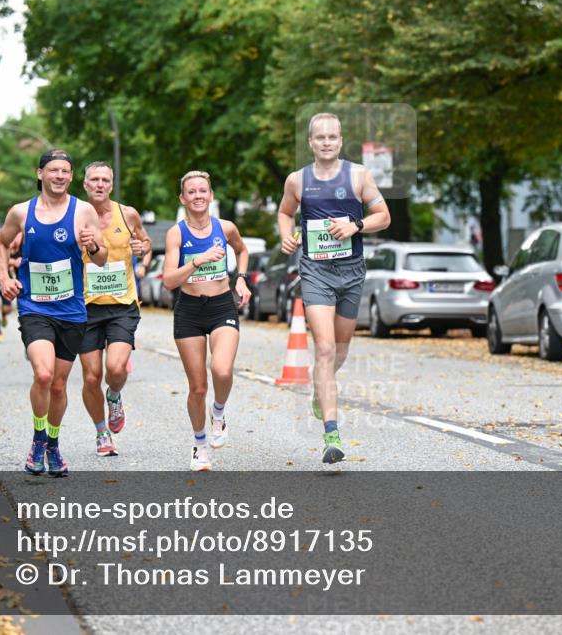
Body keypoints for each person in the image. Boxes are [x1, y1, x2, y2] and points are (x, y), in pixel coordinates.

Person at [277, 112, 391, 464]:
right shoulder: (297, 180)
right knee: (324, 349)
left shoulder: (359, 175)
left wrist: (355, 225)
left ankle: (319, 387)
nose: (326, 142)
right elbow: (285, 213)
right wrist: (286, 237)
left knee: (339, 352)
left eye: (332, 137)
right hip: (315, 272)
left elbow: (383, 216)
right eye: (320, 137)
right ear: (310, 142)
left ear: (340, 141)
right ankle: (331, 433)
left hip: (351, 272)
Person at [0, 149, 107, 477]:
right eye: (53, 170)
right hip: (34, 307)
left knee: (58, 386)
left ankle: (53, 444)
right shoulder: (20, 212)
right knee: (42, 375)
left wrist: (93, 245)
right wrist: (4, 277)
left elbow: (100, 258)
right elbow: (1, 244)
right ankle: (38, 439)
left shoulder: (84, 210)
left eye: (66, 171)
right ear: (40, 173)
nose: (59, 176)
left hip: (71, 311)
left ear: (71, 177)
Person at [163, 170, 251, 471]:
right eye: (192, 191)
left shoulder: (225, 227)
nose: (198, 196)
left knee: (222, 369)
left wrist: (241, 279)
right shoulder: (176, 233)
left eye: (203, 190)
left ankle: (219, 412)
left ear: (210, 195)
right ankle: (200, 445)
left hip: (221, 305)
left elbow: (242, 250)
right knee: (197, 387)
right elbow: (168, 281)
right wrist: (196, 261)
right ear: (183, 198)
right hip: (188, 310)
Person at [77, 161, 151, 457]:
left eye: (105, 180)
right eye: (94, 179)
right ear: (84, 184)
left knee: (115, 369)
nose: (99, 184)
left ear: (111, 183)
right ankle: (101, 433)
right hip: (85, 308)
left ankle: (115, 395)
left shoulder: (127, 213)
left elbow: (144, 240)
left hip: (122, 304)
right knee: (91, 376)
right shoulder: (74, 216)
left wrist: (141, 249)